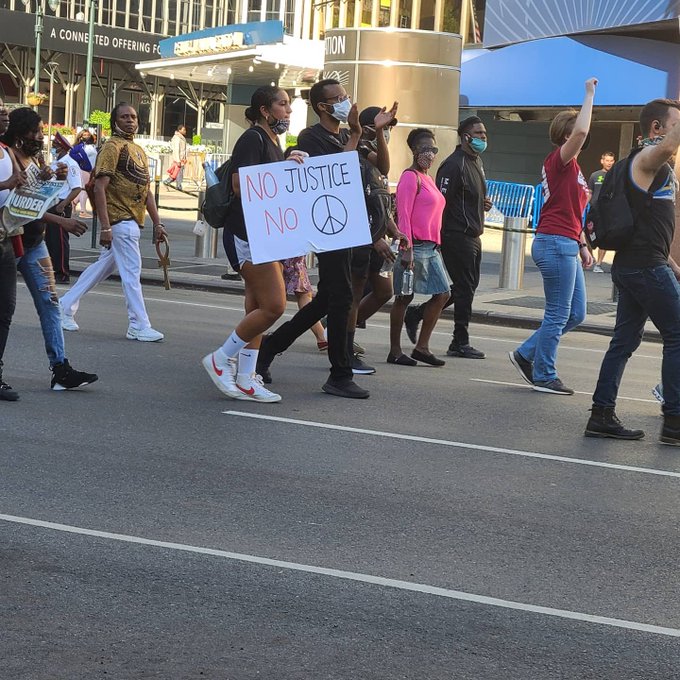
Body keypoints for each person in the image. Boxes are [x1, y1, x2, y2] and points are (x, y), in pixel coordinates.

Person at [255, 79, 370, 399]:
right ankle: (340, 373)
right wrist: (357, 135)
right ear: (322, 106)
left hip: (347, 227)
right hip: (327, 227)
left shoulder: (344, 134)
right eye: (339, 99)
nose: (346, 102)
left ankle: (269, 348)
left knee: (324, 300)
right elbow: (332, 174)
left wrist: (361, 133)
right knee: (343, 298)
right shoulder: (312, 137)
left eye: (346, 97)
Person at [201, 86, 306, 403]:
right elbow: (239, 183)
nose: (288, 111)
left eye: (289, 105)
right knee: (274, 306)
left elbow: (269, 178)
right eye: (282, 105)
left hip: (264, 234)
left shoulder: (274, 141)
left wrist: (287, 162)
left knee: (258, 308)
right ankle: (221, 360)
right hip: (246, 234)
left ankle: (246, 377)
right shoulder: (253, 138)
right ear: (264, 109)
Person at [585, 98, 680, 444]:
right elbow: (669, 145)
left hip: (638, 264)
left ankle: (601, 414)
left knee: (624, 340)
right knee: (678, 334)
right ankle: (674, 421)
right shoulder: (645, 160)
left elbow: (645, 225)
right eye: (675, 124)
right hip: (643, 268)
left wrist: (673, 265)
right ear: (656, 128)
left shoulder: (642, 166)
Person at [509, 79, 596, 395]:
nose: (584, 135)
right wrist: (589, 94)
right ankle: (544, 374)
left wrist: (583, 245)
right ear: (565, 135)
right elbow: (583, 132)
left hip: (566, 242)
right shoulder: (560, 159)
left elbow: (569, 209)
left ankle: (525, 354)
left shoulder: (572, 167)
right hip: (555, 243)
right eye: (575, 131)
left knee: (576, 313)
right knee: (559, 314)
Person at [2, 107, 98, 391]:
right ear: (20, 134)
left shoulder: (32, 157)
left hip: (32, 242)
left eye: (42, 131)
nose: (40, 136)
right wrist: (62, 222)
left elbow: (36, 197)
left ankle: (60, 368)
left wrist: (50, 177)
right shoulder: (8, 156)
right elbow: (22, 206)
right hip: (12, 240)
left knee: (50, 305)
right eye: (36, 131)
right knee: (5, 310)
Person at [60, 103, 167, 342]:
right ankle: (139, 324)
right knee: (131, 274)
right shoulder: (111, 147)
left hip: (130, 222)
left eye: (133, 117)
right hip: (120, 222)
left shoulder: (137, 149)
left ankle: (64, 306)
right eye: (124, 117)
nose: (130, 120)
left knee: (103, 267)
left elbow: (146, 191)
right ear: (114, 121)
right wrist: (106, 227)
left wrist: (158, 224)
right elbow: (99, 187)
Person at [403, 116, 491, 359]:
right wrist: (438, 239)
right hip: (456, 235)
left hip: (474, 234)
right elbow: (442, 203)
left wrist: (481, 203)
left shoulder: (476, 162)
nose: (483, 137)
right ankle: (459, 341)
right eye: (479, 133)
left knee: (465, 288)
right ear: (465, 137)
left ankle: (417, 314)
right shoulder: (454, 164)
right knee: (462, 288)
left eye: (484, 133)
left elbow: (466, 196)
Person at [347, 103, 401, 375]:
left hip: (378, 236)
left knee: (383, 291)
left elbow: (379, 193)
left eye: (389, 129)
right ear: (367, 127)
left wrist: (391, 226)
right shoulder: (354, 151)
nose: (387, 133)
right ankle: (343, 347)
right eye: (382, 127)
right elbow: (354, 203)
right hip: (362, 239)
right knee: (354, 295)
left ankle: (344, 332)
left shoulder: (370, 153)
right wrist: (371, 237)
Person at [388, 128, 450, 366]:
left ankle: (421, 347)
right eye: (425, 149)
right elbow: (403, 215)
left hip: (432, 247)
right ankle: (395, 351)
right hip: (414, 246)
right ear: (414, 150)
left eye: (433, 149)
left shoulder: (429, 179)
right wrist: (407, 248)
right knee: (403, 298)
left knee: (443, 293)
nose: (430, 154)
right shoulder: (409, 177)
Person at [0, 99, 27, 400]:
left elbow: (19, 186)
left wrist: (41, 183)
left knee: (5, 308)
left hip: (5, 237)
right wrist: (7, 182)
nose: (4, 116)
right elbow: (8, 182)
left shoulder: (7, 152)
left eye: (5, 112)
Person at [45, 132, 83, 284]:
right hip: (52, 203)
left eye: (55, 145)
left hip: (60, 205)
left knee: (60, 241)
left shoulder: (69, 163)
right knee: (51, 240)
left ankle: (62, 273)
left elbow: (77, 188)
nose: (53, 147)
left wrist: (63, 205)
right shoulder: (57, 162)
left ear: (61, 147)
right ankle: (53, 270)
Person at [281, 256, 327, 350]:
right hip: (290, 252)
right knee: (303, 294)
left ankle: (322, 337)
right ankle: (322, 337)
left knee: (303, 293)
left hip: (286, 253)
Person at [587, 151, 615, 273]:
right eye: (607, 160)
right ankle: (590, 258)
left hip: (607, 212)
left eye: (611, 161)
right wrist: (584, 205)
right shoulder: (594, 175)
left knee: (604, 237)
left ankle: (598, 263)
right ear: (602, 161)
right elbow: (590, 192)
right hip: (593, 211)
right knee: (589, 235)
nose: (609, 163)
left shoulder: (615, 176)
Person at [73, 129, 95, 217]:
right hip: (85, 170)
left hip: (90, 170)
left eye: (88, 135)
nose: (87, 136)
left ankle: (74, 203)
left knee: (84, 189)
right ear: (80, 137)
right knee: (84, 190)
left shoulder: (90, 146)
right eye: (84, 135)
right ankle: (83, 211)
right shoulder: (81, 147)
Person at [164, 124, 188, 190]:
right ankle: (174, 183)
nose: (185, 131)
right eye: (184, 130)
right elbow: (176, 149)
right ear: (179, 130)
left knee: (178, 172)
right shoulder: (177, 138)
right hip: (179, 159)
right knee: (178, 172)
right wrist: (178, 160)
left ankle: (176, 184)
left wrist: (185, 157)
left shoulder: (181, 138)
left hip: (181, 159)